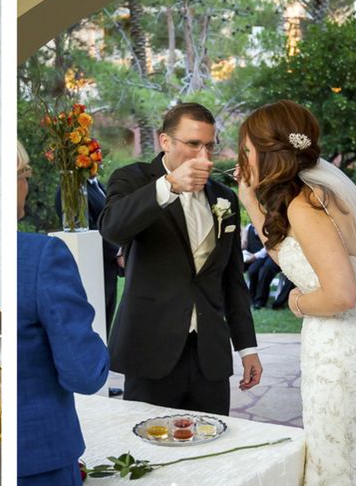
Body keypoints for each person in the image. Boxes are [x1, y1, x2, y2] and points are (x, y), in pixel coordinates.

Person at [235, 99, 356, 484]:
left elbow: (341, 294)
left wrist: (297, 302)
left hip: (340, 353)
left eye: (246, 150)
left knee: (340, 460)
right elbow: (290, 255)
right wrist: (250, 200)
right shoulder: (319, 197)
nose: (241, 158)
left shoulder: (306, 204)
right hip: (348, 345)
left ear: (269, 152)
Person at [99, 102, 262, 415]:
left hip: (209, 356)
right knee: (149, 454)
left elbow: (231, 279)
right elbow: (112, 228)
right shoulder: (133, 180)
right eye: (193, 144)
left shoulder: (223, 198)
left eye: (209, 146)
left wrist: (247, 349)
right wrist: (169, 185)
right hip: (150, 349)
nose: (204, 156)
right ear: (165, 141)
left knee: (212, 446)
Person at [17, 141, 109, 486]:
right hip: (40, 460)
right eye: (24, 174)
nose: (27, 182)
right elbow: (84, 374)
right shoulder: (42, 257)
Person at [55, 174, 124, 398]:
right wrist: (117, 251)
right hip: (96, 263)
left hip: (107, 267)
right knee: (97, 320)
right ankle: (95, 377)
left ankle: (102, 378)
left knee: (106, 319)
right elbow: (94, 227)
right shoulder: (74, 189)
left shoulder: (97, 186)